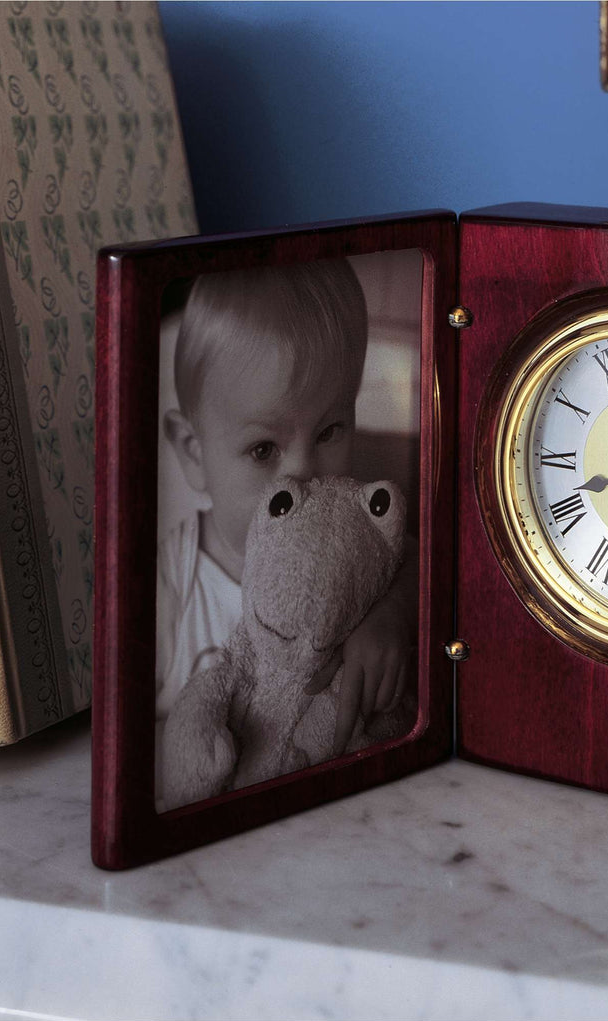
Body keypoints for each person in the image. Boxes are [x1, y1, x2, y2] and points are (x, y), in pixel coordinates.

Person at [156, 258, 415, 761]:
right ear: (194, 453)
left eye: (329, 430)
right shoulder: (171, 580)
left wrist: (392, 617)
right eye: (262, 450)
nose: (303, 474)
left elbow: (416, 560)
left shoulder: (357, 541)